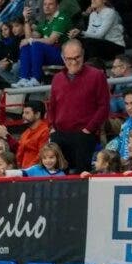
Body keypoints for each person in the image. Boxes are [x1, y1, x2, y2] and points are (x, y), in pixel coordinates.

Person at [47, 39, 109, 172]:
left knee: (82, 174)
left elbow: (103, 106)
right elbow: (52, 105)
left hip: (84, 135)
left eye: (77, 57)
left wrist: (88, 129)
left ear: (83, 54)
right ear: (63, 58)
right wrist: (52, 127)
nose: (73, 62)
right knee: (59, 174)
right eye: (69, 58)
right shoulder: (57, 78)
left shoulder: (97, 75)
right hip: (60, 134)